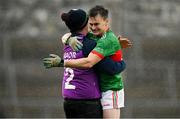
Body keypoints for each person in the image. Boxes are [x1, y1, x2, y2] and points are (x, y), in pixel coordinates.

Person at [43, 8, 127, 118]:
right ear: (85, 23)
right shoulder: (89, 45)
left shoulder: (68, 43)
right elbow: (110, 68)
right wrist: (122, 63)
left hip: (69, 101)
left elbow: (65, 36)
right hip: (86, 101)